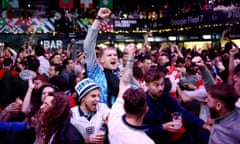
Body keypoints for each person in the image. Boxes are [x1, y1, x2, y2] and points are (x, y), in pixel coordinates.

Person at [143, 66, 210, 144]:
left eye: (162, 84)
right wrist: (162, 127)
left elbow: (182, 111)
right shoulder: (142, 102)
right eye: (156, 85)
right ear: (147, 85)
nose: (161, 88)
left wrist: (202, 124)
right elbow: (143, 130)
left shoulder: (165, 96)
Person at [108, 40, 154, 144]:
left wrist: (130, 57)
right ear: (146, 110)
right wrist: (131, 55)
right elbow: (125, 84)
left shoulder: (114, 119)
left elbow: (124, 84)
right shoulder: (145, 142)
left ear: (124, 107)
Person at [83, 8, 119, 107]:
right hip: (98, 118)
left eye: (115, 55)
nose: (113, 57)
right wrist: (98, 19)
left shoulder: (121, 76)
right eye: (109, 55)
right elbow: (88, 45)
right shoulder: (95, 73)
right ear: (101, 60)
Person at [71, 78, 109, 143]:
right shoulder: (72, 115)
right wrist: (86, 140)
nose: (97, 99)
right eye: (93, 96)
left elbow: (111, 118)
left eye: (98, 96)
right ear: (83, 98)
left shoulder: (102, 107)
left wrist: (104, 127)